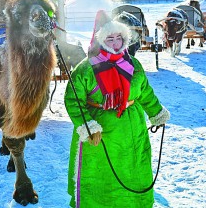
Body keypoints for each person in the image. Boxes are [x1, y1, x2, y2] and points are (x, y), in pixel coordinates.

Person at [64, 18, 170, 208]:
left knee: (133, 171)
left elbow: (144, 91)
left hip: (132, 131)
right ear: (101, 40)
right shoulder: (86, 68)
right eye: (109, 38)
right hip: (99, 135)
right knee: (99, 176)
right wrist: (87, 126)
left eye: (118, 38)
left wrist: (157, 113)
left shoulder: (134, 64)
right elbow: (73, 101)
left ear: (125, 39)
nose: (115, 42)